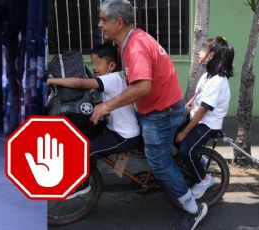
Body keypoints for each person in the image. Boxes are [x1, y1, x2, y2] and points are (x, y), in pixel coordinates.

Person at [91, 1, 207, 229]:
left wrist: (107, 106)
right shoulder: (131, 40)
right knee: (152, 152)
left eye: (103, 20)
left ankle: (194, 209)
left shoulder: (135, 47)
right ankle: (196, 166)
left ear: (118, 22)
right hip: (162, 108)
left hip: (161, 115)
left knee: (159, 163)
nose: (99, 24)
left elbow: (143, 86)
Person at [48, 43, 142, 199]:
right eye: (93, 63)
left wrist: (53, 81)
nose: (95, 68)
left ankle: (82, 185)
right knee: (81, 135)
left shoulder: (112, 79)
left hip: (125, 136)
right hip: (113, 128)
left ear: (111, 65)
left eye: (98, 63)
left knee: (87, 150)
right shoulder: (112, 78)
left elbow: (80, 83)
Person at [175, 37, 234, 199]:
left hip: (207, 124)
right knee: (173, 137)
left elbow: (202, 111)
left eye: (203, 50)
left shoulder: (218, 81)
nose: (199, 52)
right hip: (198, 119)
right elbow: (194, 101)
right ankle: (199, 164)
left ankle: (204, 179)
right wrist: (180, 115)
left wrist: (184, 132)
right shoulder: (207, 76)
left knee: (185, 150)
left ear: (211, 55)